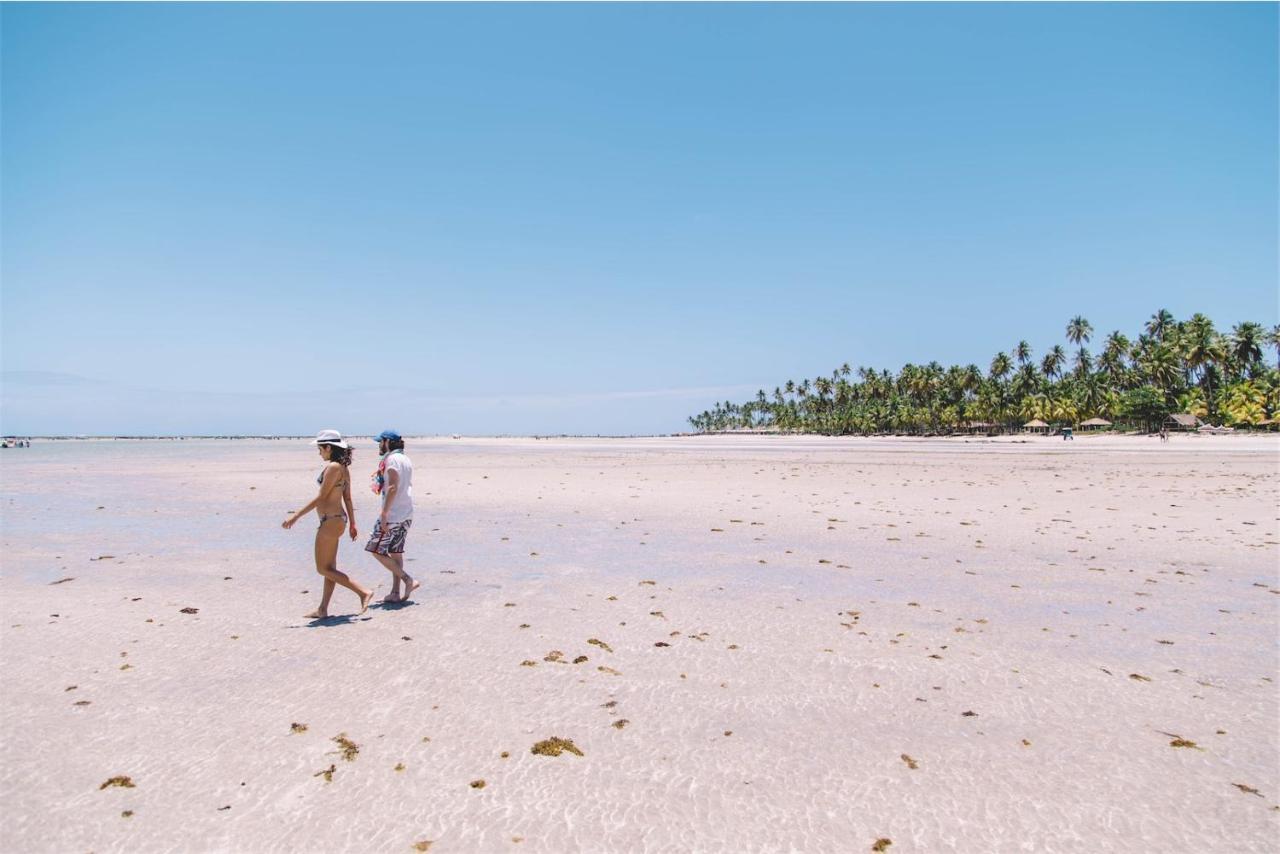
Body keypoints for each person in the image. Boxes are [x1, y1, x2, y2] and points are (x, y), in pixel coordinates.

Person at [283, 429, 374, 618]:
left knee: (322, 568)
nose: (319, 453)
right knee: (330, 568)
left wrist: (296, 515)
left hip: (330, 522)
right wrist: (352, 524)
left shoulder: (333, 467)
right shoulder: (343, 468)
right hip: (338, 520)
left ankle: (363, 592)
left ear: (328, 448)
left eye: (320, 449)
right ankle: (323, 609)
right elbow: (347, 498)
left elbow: (321, 496)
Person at [367, 429, 419, 603]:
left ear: (387, 442)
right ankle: (395, 593)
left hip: (393, 514)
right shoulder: (405, 458)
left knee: (375, 549)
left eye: (380, 442)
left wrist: (384, 513)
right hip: (406, 512)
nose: (379, 446)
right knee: (395, 552)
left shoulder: (392, 459)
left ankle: (407, 579)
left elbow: (392, 487)